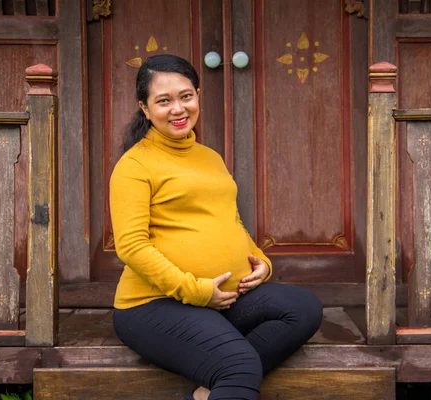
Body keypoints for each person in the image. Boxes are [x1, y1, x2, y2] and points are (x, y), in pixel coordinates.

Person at [110, 54, 323, 400]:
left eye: (185, 96)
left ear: (197, 95)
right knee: (239, 367)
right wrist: (197, 292)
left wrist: (260, 260)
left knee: (303, 309)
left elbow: (229, 220)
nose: (178, 109)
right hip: (153, 305)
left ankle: (208, 390)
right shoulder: (134, 165)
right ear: (145, 109)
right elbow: (132, 246)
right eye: (163, 101)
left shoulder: (210, 157)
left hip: (223, 298)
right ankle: (229, 371)